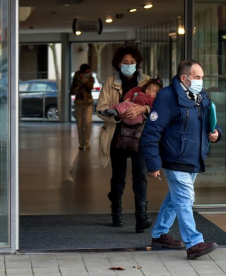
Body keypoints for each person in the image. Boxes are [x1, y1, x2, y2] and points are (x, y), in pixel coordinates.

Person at [141, 60, 222, 260]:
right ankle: (194, 243)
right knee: (185, 199)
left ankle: (159, 234)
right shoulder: (167, 97)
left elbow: (209, 122)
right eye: (197, 77)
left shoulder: (201, 95)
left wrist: (216, 134)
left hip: (193, 157)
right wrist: (153, 163)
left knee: (175, 198)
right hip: (175, 157)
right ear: (184, 78)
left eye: (202, 77)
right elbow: (151, 132)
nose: (201, 81)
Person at [96, 46, 152, 233]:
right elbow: (101, 108)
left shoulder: (147, 81)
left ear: (137, 63)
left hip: (140, 136)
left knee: (140, 175)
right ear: (118, 64)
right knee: (118, 176)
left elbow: (158, 105)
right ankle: (117, 212)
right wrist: (119, 115)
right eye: (125, 62)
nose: (129, 65)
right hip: (117, 135)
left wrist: (142, 110)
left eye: (132, 62)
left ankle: (141, 217)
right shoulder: (111, 81)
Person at [98, 78, 163, 125]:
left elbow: (155, 109)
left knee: (125, 104)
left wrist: (144, 108)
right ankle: (109, 111)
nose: (150, 92)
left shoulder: (155, 99)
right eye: (149, 89)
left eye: (155, 91)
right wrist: (127, 98)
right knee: (124, 104)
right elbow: (130, 92)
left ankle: (115, 111)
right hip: (125, 117)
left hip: (138, 117)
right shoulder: (139, 90)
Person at [70, 64, 95, 150]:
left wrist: (83, 79)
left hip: (88, 103)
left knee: (88, 123)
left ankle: (87, 143)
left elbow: (90, 87)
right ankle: (81, 143)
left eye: (89, 72)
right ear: (82, 72)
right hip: (79, 103)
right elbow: (71, 90)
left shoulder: (91, 78)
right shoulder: (76, 78)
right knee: (79, 124)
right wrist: (77, 89)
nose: (88, 73)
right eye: (86, 72)